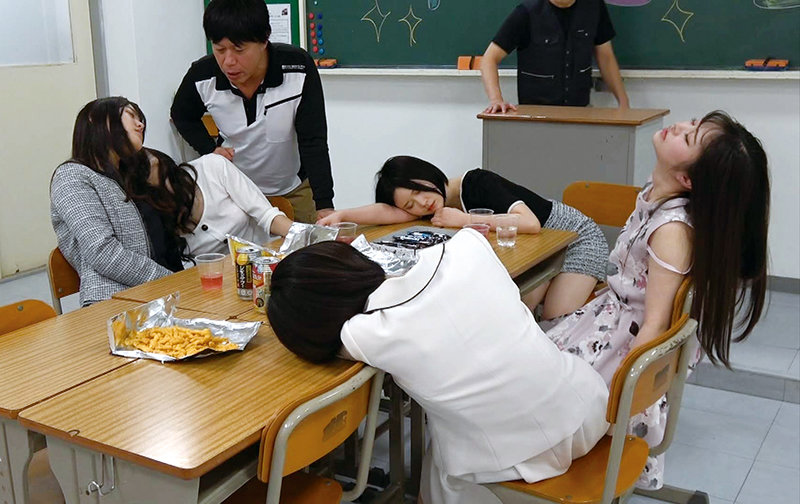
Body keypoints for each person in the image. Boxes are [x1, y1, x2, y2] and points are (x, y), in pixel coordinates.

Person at [267, 230, 610, 504]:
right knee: (446, 437)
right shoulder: (468, 246)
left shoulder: (365, 334)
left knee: (442, 460)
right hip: (588, 406)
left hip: (521, 458)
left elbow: (324, 342)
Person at [545, 110, 770, 489]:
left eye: (689, 137)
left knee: (526, 378)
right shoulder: (657, 193)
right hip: (606, 319)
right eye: (693, 123)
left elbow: (655, 322)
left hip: (618, 343)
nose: (679, 126)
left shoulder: (671, 232)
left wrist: (625, 395)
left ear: (687, 180)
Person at [318, 155, 608, 319]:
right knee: (517, 311)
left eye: (418, 190)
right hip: (537, 250)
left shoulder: (478, 182)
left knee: (555, 320)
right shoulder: (432, 208)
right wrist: (343, 214)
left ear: (427, 174)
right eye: (410, 204)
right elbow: (388, 212)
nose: (421, 204)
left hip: (575, 237)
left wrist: (466, 220)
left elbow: (530, 223)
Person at [171, 0, 334, 224]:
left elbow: (313, 140)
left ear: (264, 39)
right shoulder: (202, 75)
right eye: (219, 49)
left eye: (239, 50)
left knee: (304, 244)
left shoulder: (298, 67)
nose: (229, 62)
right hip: (234, 195)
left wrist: (324, 204)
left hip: (292, 189)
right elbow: (182, 115)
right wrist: (210, 150)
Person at [51, 97, 183, 306]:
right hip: (115, 301)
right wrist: (170, 282)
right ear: (97, 120)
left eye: (140, 119)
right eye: (131, 116)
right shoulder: (72, 177)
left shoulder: (129, 175)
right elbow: (103, 252)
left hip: (160, 295)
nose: (140, 124)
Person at [480, 0, 629, 113]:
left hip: (580, 113)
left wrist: (623, 103)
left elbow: (606, 57)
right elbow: (489, 59)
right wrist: (496, 99)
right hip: (536, 116)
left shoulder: (594, 7)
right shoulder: (526, 12)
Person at [146, 150, 293, 256]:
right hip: (214, 282)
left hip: (265, 259)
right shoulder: (149, 218)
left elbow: (268, 216)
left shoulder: (211, 166)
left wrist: (303, 235)